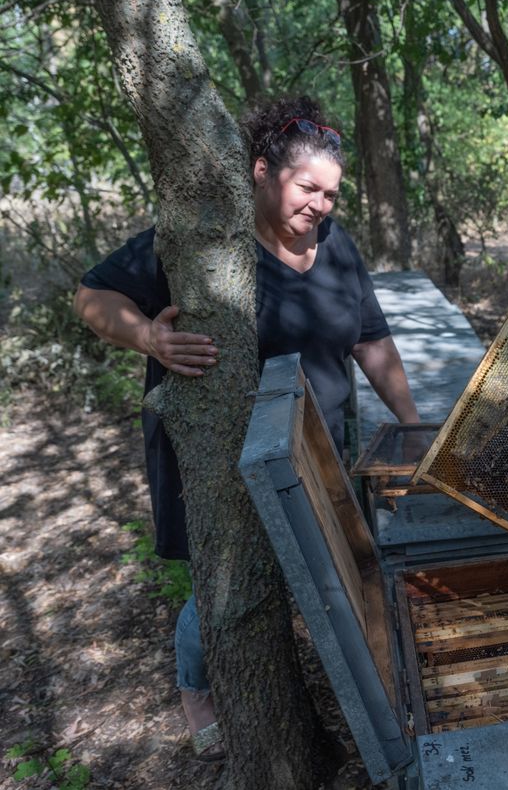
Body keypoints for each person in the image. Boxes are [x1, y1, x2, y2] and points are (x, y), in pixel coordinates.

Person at [73, 96, 423, 760]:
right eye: (308, 187)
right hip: (223, 455)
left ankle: (358, 695)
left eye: (331, 193)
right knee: (224, 585)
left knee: (331, 567)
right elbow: (92, 296)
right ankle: (197, 690)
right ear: (261, 171)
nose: (321, 205)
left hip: (320, 451)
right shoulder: (203, 245)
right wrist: (148, 336)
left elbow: (372, 342)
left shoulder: (336, 246)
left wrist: (413, 426)